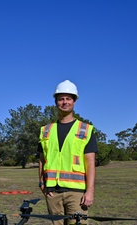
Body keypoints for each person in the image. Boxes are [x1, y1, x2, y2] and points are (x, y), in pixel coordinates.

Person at [38, 80, 98, 225]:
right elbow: (42, 159)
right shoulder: (46, 130)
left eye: (68, 98)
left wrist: (90, 191)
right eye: (61, 99)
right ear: (56, 102)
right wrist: (41, 183)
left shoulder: (85, 130)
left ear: (74, 101)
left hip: (77, 193)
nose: (64, 102)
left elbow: (90, 163)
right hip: (53, 193)